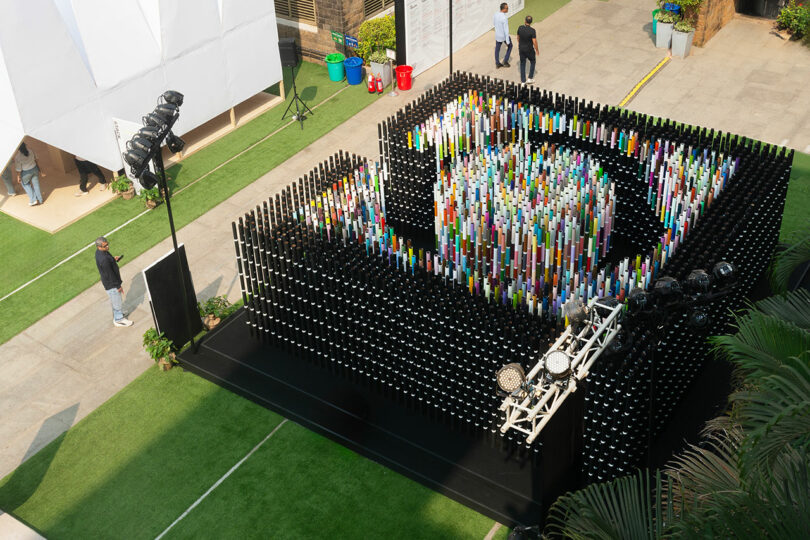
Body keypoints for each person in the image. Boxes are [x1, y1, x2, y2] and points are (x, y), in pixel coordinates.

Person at [95, 236, 133, 327]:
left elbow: (108, 261)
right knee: (116, 301)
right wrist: (118, 286)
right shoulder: (103, 260)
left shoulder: (101, 253)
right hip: (111, 284)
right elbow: (110, 275)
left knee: (116, 300)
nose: (107, 247)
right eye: (105, 246)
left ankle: (118, 313)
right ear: (99, 247)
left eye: (107, 244)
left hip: (109, 283)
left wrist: (112, 259)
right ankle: (119, 319)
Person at [517, 15, 540, 84]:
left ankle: (523, 81)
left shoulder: (520, 28)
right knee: (533, 61)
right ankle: (530, 78)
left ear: (525, 21)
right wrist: (537, 50)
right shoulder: (532, 31)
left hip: (521, 49)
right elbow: (534, 41)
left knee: (522, 63)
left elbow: (518, 37)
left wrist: (521, 44)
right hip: (529, 50)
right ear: (531, 22)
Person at [493, 3, 512, 69]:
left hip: (497, 35)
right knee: (510, 46)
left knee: (497, 49)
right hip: (503, 36)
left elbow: (494, 23)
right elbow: (506, 30)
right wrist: (507, 41)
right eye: (507, 8)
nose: (508, 9)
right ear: (504, 9)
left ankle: (497, 63)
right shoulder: (504, 18)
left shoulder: (495, 14)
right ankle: (505, 61)